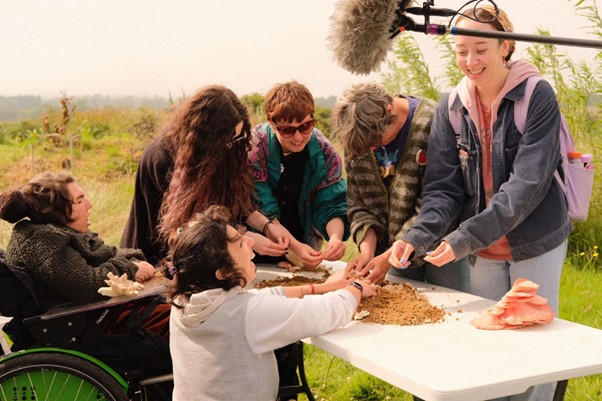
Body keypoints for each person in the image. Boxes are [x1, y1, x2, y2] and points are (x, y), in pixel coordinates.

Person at [387, 6, 571, 401]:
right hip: (485, 250)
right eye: (461, 50)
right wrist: (416, 237)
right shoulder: (450, 106)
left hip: (536, 240)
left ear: (506, 46)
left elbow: (527, 185)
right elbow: (443, 190)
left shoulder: (538, 96)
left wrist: (463, 238)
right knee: (492, 347)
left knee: (535, 347)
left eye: (481, 49)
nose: (470, 61)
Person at [167, 205, 375, 401]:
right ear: (224, 272)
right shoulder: (247, 314)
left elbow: (260, 299)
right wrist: (355, 287)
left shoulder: (183, 302)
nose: (250, 242)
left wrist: (318, 288)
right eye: (240, 243)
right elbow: (327, 312)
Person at [0, 171, 170, 370]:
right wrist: (131, 268)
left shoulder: (61, 232)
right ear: (57, 210)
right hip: (86, 329)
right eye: (79, 201)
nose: (90, 204)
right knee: (180, 323)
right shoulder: (40, 241)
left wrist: (131, 261)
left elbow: (109, 253)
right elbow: (86, 285)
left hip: (98, 318)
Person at [121, 85, 289, 265]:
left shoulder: (223, 149)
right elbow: (190, 228)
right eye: (227, 139)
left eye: (236, 138)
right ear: (207, 136)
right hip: (153, 261)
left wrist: (266, 226)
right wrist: (244, 237)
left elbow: (235, 201)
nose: (231, 145)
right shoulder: (162, 157)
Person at [331, 82, 470, 291]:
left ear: (390, 112)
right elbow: (359, 204)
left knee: (451, 303)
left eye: (375, 141)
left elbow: (438, 200)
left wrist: (389, 256)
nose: (373, 148)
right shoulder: (359, 137)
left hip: (443, 246)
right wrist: (368, 251)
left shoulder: (431, 122)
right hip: (393, 254)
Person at [249, 81, 350, 271]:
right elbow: (262, 208)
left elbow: (331, 202)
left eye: (305, 126)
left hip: (304, 244)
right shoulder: (255, 148)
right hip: (259, 245)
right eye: (288, 130)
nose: (297, 137)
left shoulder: (325, 152)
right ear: (272, 125)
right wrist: (294, 247)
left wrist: (336, 237)